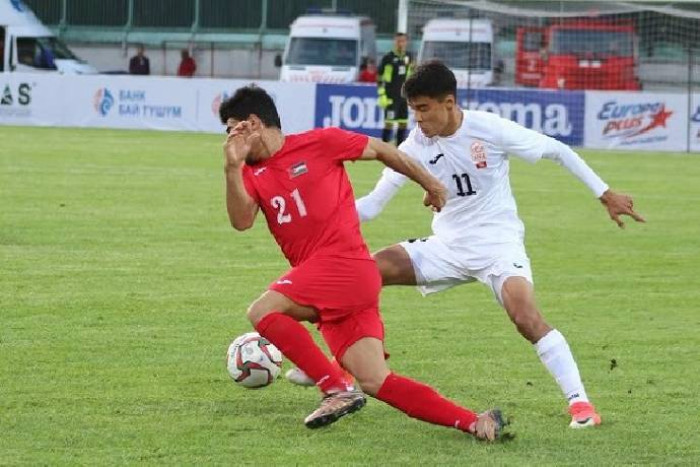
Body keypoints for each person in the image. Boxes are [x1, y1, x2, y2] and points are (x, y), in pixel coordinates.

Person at [288, 62, 645, 429]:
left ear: (449, 102)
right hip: (447, 246)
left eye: (424, 109)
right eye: (414, 111)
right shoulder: (413, 146)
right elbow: (374, 204)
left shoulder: (487, 129)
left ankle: (581, 405)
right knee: (359, 273)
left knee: (525, 316)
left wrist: (605, 193)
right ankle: (328, 365)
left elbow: (557, 151)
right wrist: (319, 215)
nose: (419, 120)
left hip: (497, 244)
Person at [220, 84, 507, 441]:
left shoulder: (321, 142)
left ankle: (333, 383)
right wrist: (232, 168)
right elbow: (241, 221)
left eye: (232, 127)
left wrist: (431, 183)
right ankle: (474, 421)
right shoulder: (248, 172)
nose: (230, 137)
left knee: (262, 312)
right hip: (335, 283)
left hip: (344, 265)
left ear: (253, 124)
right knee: (376, 380)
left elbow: (384, 150)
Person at [377, 32, 413, 146]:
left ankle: (400, 149)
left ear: (406, 42)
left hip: (403, 97)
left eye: (403, 41)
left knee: (403, 123)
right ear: (394, 42)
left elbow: (410, 75)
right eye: (398, 41)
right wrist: (382, 94)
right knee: (389, 124)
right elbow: (380, 77)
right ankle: (383, 150)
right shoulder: (388, 58)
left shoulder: (409, 57)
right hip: (390, 97)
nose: (400, 44)